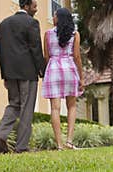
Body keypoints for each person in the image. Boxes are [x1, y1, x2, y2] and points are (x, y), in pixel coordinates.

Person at [0, 0, 45, 153]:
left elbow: (0, 51)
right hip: (27, 73)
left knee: (14, 104)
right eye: (34, 7)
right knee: (26, 108)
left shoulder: (4, 24)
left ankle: (0, 136)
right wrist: (42, 70)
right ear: (27, 6)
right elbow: (36, 49)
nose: (36, 10)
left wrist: (4, 74)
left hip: (10, 73)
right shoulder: (32, 23)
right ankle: (21, 147)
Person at [42, 8, 84, 150]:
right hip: (69, 69)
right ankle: (69, 141)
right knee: (71, 106)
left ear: (58, 18)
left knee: (55, 108)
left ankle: (59, 144)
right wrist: (81, 78)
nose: (53, 18)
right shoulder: (75, 34)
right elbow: (77, 57)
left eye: (54, 16)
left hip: (53, 69)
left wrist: (49, 70)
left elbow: (46, 56)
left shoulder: (47, 34)